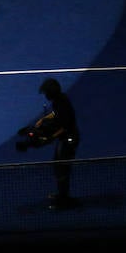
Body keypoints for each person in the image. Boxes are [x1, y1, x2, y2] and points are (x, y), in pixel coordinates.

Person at [27, 77, 81, 208]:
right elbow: (55, 114)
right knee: (58, 166)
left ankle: (64, 200)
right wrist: (44, 119)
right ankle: (62, 195)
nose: (45, 95)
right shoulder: (59, 101)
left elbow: (65, 127)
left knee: (62, 168)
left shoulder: (62, 103)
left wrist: (50, 138)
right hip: (65, 138)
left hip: (69, 140)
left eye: (46, 92)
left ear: (52, 92)